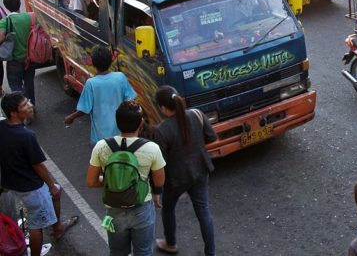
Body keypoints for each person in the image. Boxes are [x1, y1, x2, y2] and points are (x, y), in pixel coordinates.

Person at [0, 93, 79, 256]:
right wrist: (50, 185)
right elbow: (38, 165)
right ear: (14, 113)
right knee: (37, 224)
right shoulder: (26, 136)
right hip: (31, 187)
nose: (29, 105)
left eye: (27, 102)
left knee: (57, 192)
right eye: (24, 105)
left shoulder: (2, 127)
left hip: (12, 182)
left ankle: (57, 228)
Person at [86, 100, 166, 256]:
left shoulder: (101, 146)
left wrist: (112, 182)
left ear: (117, 122)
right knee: (143, 252)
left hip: (114, 211)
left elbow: (91, 181)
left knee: (117, 253)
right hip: (141, 208)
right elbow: (159, 181)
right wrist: (155, 193)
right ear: (141, 122)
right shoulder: (152, 148)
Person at [152, 86, 217, 256]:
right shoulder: (196, 114)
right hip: (200, 170)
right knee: (203, 212)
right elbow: (211, 137)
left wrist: (156, 190)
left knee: (168, 208)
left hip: (176, 178)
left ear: (164, 108)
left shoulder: (161, 130)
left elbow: (161, 163)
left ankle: (170, 243)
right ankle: (211, 253)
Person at [64, 45, 137, 145]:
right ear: (111, 61)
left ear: (93, 64)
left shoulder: (91, 83)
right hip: (121, 132)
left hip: (101, 137)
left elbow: (84, 109)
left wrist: (71, 117)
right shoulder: (120, 77)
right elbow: (131, 101)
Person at [0, 0, 38, 107]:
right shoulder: (30, 17)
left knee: (15, 85)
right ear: (20, 4)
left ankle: (22, 108)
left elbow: (1, 37)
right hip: (30, 58)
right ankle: (31, 106)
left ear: (6, 7)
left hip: (15, 60)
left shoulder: (5, 22)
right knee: (29, 83)